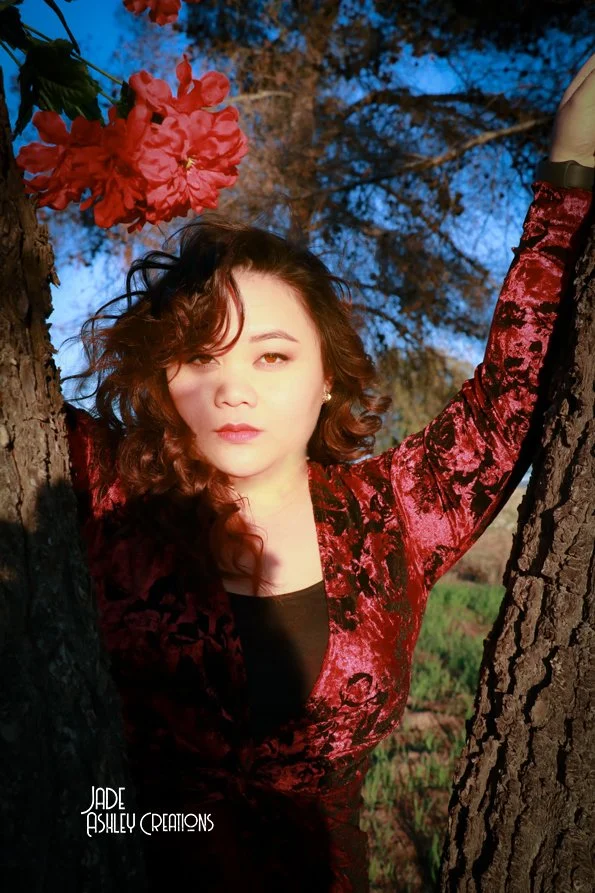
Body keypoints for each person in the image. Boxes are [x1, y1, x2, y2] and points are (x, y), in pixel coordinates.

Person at [63, 55, 595, 892]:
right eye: (200, 356)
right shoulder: (98, 484)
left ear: (326, 379)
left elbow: (511, 395)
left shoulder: (394, 513)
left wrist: (569, 174)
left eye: (272, 355)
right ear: (164, 377)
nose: (233, 388)